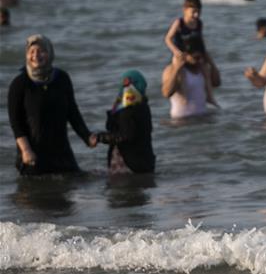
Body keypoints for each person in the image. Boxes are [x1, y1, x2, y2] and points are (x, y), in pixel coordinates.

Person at [7, 35, 98, 175]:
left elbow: (73, 113)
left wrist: (87, 137)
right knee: (35, 193)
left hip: (61, 153)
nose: (36, 55)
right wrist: (26, 150)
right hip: (33, 156)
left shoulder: (62, 78)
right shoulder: (19, 83)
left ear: (50, 53)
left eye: (41, 51)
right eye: (31, 52)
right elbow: (16, 123)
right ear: (26, 55)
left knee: (72, 186)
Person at [95, 70, 155, 174]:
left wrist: (99, 137)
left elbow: (124, 135)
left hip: (128, 166)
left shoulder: (128, 109)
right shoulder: (143, 106)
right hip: (144, 163)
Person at [164, 0, 219, 105]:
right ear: (185, 10)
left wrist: (205, 55)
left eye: (199, 12)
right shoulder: (179, 23)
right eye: (193, 12)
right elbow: (167, 39)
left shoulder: (199, 23)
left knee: (205, 70)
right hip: (180, 53)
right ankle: (184, 96)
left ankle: (210, 96)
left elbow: (200, 39)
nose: (196, 15)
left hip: (195, 52)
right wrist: (176, 51)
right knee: (179, 69)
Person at [162, 37, 221, 119]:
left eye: (201, 57)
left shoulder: (203, 69)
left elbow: (216, 83)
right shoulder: (171, 70)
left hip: (202, 117)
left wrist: (211, 62)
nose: (199, 61)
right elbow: (166, 93)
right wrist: (176, 69)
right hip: (181, 120)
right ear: (185, 54)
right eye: (196, 58)